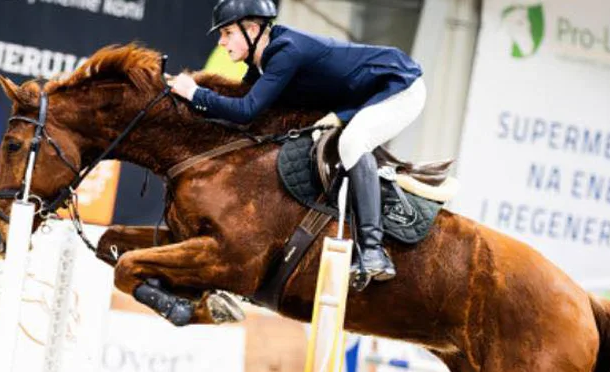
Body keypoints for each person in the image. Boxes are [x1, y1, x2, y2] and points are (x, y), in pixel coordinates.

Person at [167, 0, 426, 282]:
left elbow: (245, 111)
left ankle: (374, 251)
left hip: (399, 85)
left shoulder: (285, 52)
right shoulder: (261, 62)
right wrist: (185, 103)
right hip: (365, 95)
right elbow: (240, 109)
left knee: (352, 142)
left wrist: (195, 93)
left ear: (252, 30)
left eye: (227, 32)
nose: (221, 42)